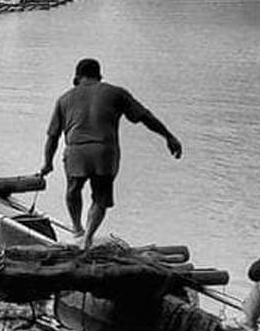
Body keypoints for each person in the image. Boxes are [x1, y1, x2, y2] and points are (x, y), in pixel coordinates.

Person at [38, 57, 183, 249]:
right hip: (104, 153)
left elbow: (52, 136)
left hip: (76, 152)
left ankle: (77, 227)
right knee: (100, 198)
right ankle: (88, 236)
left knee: (73, 189)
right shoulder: (116, 93)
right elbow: (145, 117)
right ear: (99, 76)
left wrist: (47, 163)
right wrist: (168, 136)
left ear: (77, 77)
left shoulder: (64, 99)